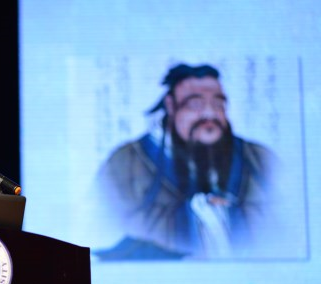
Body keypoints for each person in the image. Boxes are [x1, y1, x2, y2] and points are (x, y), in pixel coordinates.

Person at [90, 63, 281, 260]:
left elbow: (283, 223)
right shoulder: (125, 162)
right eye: (195, 105)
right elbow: (106, 227)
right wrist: (198, 212)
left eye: (218, 104)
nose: (210, 114)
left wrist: (229, 213)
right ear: (170, 105)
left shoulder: (259, 158)